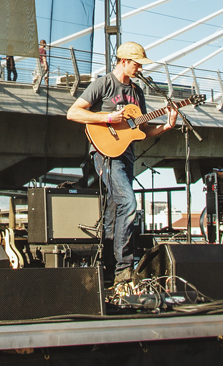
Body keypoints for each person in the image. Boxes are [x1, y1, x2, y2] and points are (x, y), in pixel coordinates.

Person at [65, 42, 177, 285]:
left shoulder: (137, 92)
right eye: (136, 64)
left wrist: (167, 125)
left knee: (114, 214)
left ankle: (107, 272)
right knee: (129, 202)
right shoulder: (103, 84)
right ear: (123, 61)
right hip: (106, 155)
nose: (139, 68)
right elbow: (73, 113)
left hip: (126, 156)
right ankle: (124, 269)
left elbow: (143, 130)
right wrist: (107, 117)